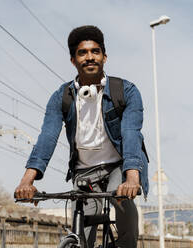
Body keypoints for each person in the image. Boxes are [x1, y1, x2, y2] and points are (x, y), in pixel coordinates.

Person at [14, 25, 149, 248]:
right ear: (73, 60)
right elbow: (47, 137)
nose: (89, 57)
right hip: (84, 172)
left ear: (104, 56)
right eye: (82, 53)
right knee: (82, 236)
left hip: (119, 166)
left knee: (121, 198)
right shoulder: (62, 97)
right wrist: (26, 181)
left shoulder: (126, 92)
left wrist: (132, 178)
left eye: (95, 51)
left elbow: (131, 134)